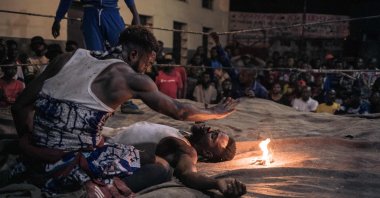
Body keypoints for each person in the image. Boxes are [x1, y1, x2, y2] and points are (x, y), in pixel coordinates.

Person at [10, 26, 238, 196]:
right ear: (133, 56)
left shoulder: (67, 57)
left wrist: (29, 143)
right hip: (71, 159)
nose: (148, 69)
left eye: (214, 134)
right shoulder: (129, 78)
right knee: (162, 168)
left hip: (37, 150)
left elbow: (20, 106)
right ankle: (101, 191)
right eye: (148, 63)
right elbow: (179, 110)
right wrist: (215, 111)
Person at [107, 121, 246, 197]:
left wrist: (216, 183)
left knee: (163, 170)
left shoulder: (188, 151)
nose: (209, 130)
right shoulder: (184, 135)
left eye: (213, 136)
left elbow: (188, 174)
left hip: (106, 156)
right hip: (105, 141)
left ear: (207, 153)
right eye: (214, 131)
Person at [52, 0, 140, 52]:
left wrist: (135, 15)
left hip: (112, 14)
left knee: (123, 50)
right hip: (90, 15)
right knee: (95, 55)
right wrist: (57, 19)